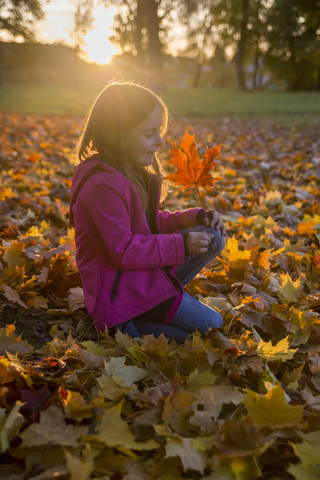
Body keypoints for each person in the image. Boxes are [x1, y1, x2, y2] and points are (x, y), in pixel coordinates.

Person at [69, 81, 226, 344]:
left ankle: (158, 303)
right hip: (117, 296)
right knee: (212, 326)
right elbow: (124, 249)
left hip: (137, 280)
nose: (160, 141)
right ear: (119, 133)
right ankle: (126, 328)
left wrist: (193, 217)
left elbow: (149, 224)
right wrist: (181, 243)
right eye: (150, 132)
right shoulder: (102, 186)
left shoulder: (130, 172)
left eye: (160, 131)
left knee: (212, 235)